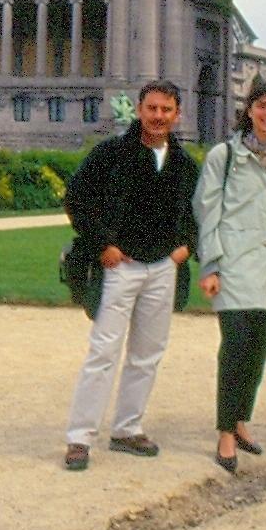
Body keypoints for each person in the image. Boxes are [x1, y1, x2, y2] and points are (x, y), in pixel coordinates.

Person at [63, 80, 198, 471]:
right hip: (120, 265)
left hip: (161, 268)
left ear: (177, 114)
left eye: (166, 110)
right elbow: (77, 198)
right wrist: (102, 243)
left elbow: (198, 212)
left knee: (147, 354)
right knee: (103, 351)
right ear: (139, 110)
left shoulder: (184, 163)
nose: (158, 116)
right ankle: (79, 437)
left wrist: (186, 246)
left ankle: (127, 428)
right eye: (152, 108)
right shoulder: (110, 154)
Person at [194, 79, 266, 473]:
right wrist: (210, 265)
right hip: (235, 265)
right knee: (235, 348)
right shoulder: (223, 156)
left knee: (258, 351)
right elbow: (207, 211)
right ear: (249, 110)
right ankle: (225, 430)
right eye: (261, 106)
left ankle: (241, 420)